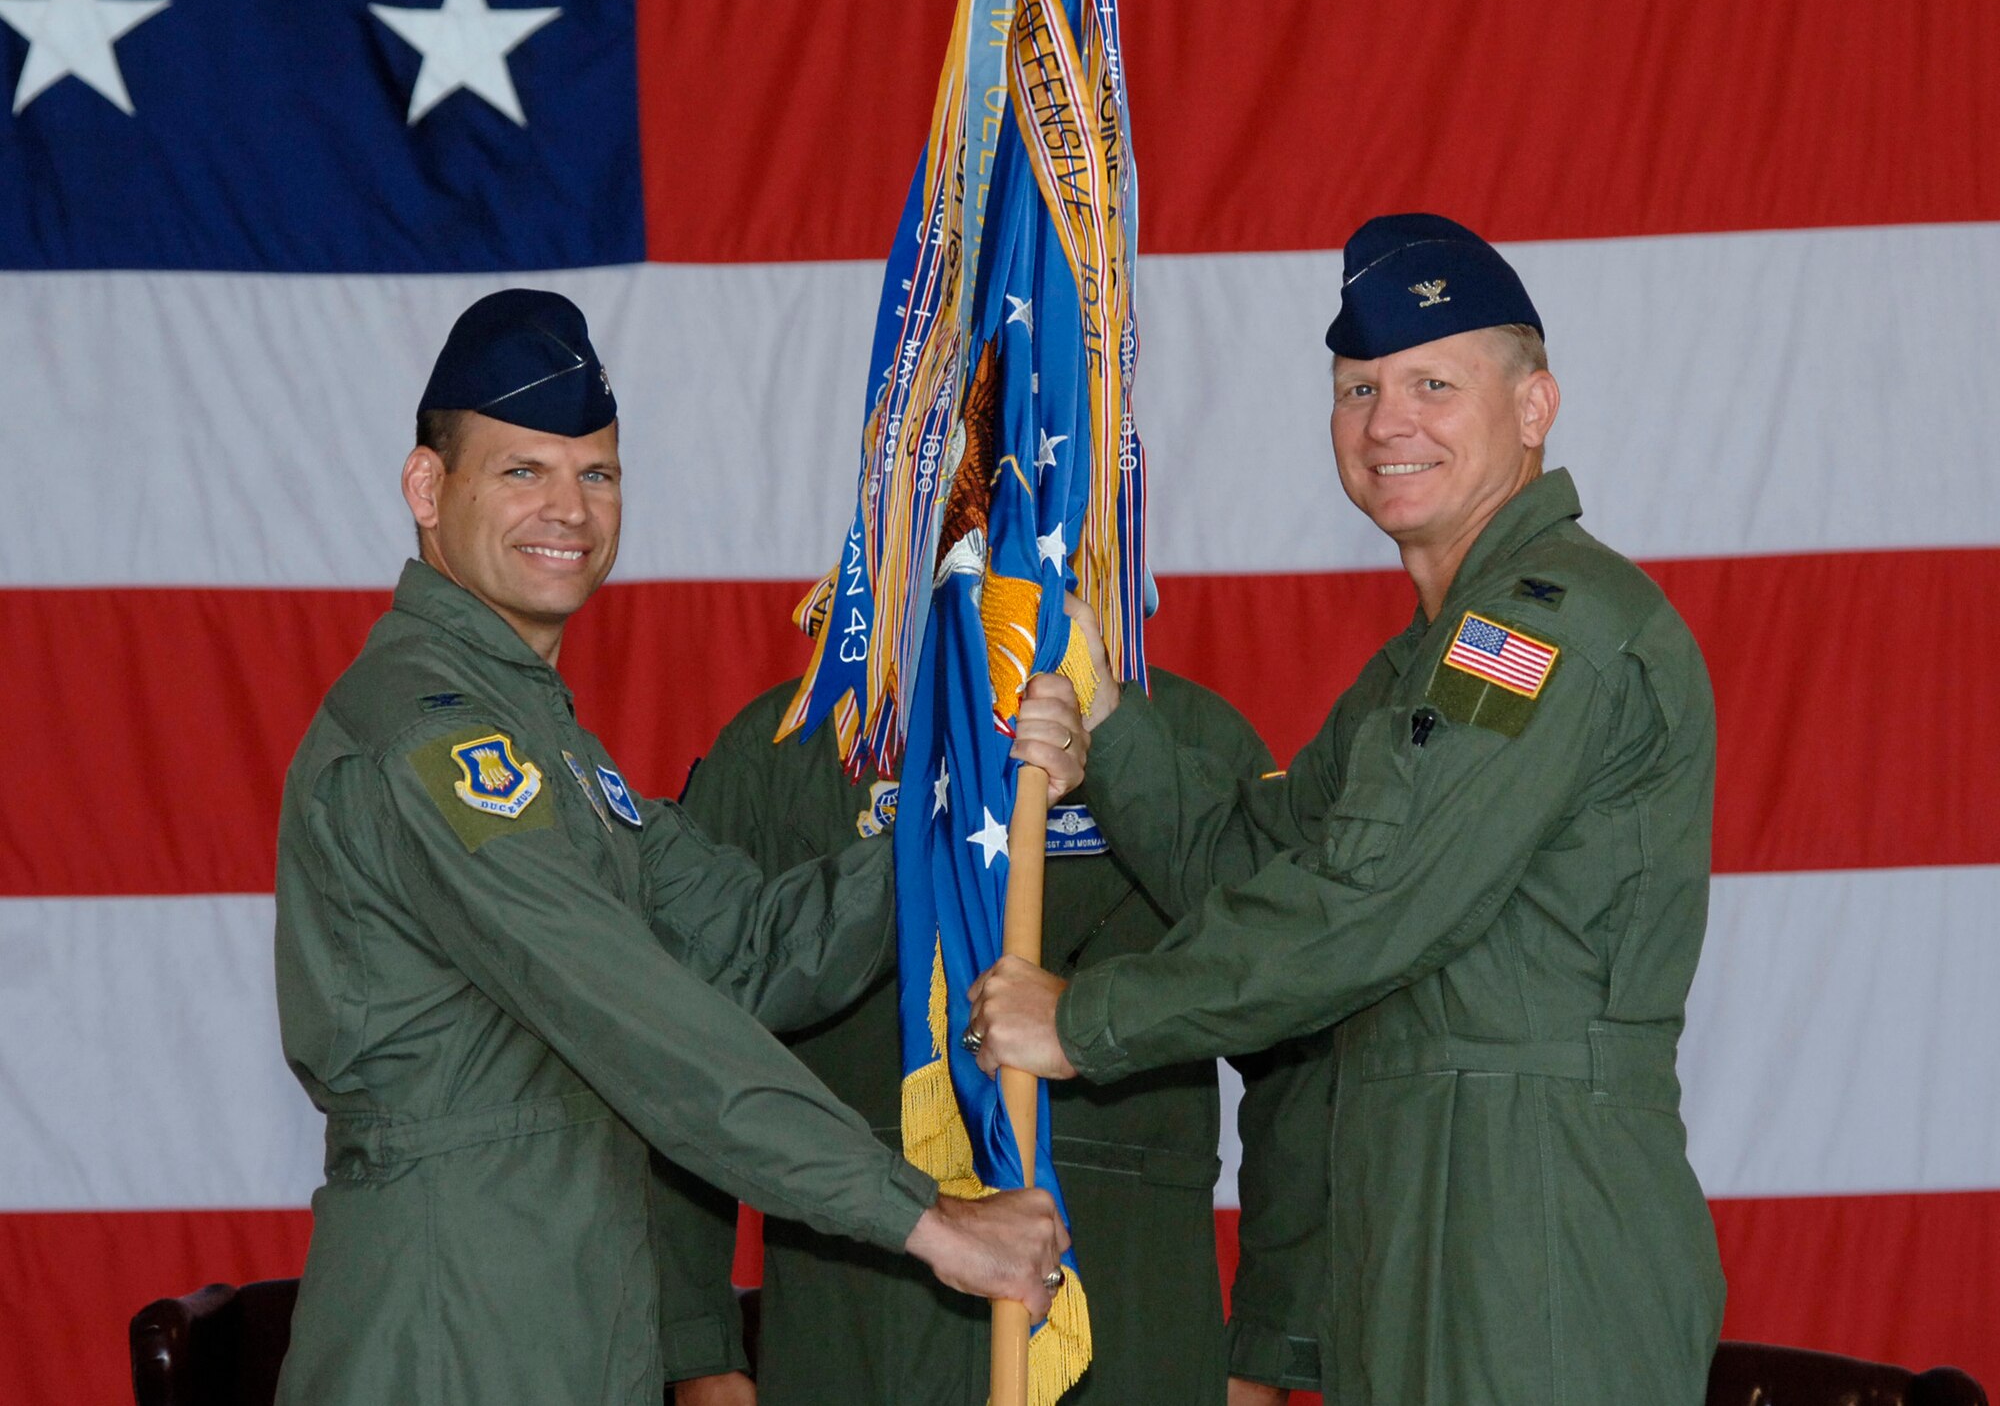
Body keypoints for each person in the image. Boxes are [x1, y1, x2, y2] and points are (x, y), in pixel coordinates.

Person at [967, 214, 1728, 1405]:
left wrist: (1087, 1021)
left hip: (1534, 1211)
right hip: (1410, 1207)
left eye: (1433, 382)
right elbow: (1251, 869)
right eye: (1356, 386)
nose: (1387, 422)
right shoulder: (1420, 663)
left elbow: (1367, 905)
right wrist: (1111, 724)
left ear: (1533, 408)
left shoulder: (1538, 627)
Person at [271, 289, 1081, 1406]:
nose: (569, 508)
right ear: (425, 488)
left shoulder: (541, 741)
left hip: (568, 1301)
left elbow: (751, 947)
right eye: (522, 471)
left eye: (595, 473)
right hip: (452, 1319)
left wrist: (964, 795)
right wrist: (924, 1220)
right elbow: (642, 1019)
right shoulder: (435, 740)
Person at [656, 671, 1331, 1405]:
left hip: (1135, 1319)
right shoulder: (791, 743)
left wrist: (1268, 1348)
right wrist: (699, 1352)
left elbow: (1295, 1037)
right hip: (857, 1319)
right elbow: (683, 1042)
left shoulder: (1189, 735)